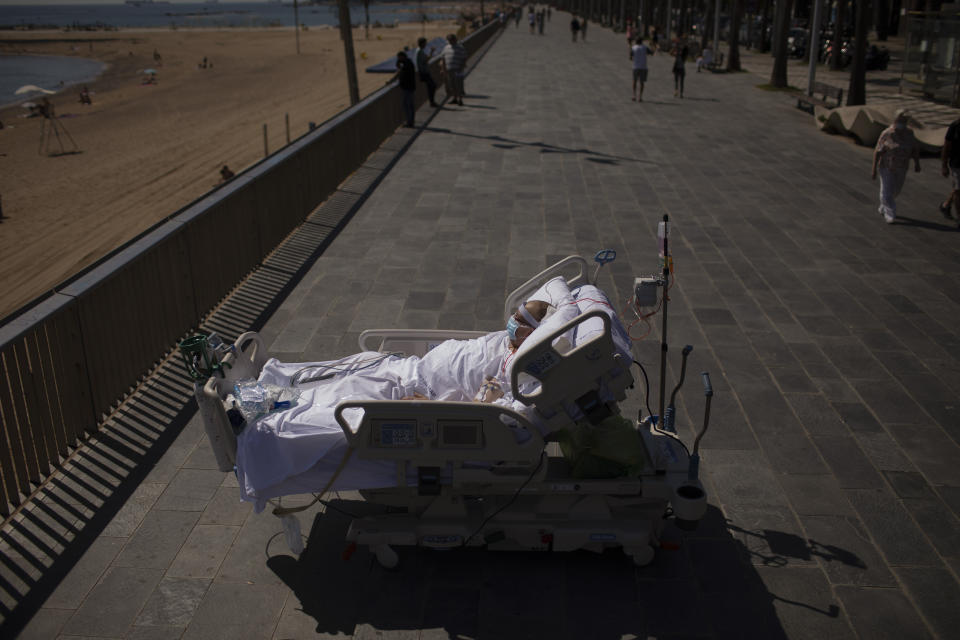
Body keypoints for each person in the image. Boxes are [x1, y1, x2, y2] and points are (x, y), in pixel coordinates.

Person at [872, 109, 921, 224]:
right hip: (887, 166)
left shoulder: (909, 133)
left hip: (902, 166)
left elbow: (914, 149)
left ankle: (884, 205)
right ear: (895, 120)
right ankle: (890, 213)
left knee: (896, 191)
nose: (902, 123)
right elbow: (878, 151)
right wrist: (874, 169)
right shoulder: (887, 133)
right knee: (886, 190)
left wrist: (917, 163)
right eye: (900, 120)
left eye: (904, 121)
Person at [938, 117, 960, 227]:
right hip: (957, 164)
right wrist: (944, 165)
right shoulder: (955, 126)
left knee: (958, 189)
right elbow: (946, 146)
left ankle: (946, 205)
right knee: (958, 190)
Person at [440, 33, 467, 106]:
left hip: (458, 69)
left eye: (452, 40)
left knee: (459, 85)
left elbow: (464, 58)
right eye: (449, 40)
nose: (451, 41)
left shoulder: (460, 47)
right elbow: (443, 58)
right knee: (452, 85)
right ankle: (455, 98)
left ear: (455, 40)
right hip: (449, 70)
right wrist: (443, 69)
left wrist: (461, 67)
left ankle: (460, 99)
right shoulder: (446, 47)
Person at [414, 38, 439, 108]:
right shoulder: (420, 51)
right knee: (432, 86)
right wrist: (431, 51)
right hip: (424, 72)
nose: (426, 45)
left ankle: (432, 101)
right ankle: (432, 102)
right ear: (422, 43)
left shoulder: (419, 51)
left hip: (424, 72)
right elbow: (426, 60)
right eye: (425, 43)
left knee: (431, 86)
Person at [395, 50, 416, 127]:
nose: (398, 59)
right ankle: (410, 121)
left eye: (399, 57)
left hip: (408, 87)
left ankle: (409, 122)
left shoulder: (407, 64)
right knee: (409, 105)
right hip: (408, 87)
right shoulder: (407, 62)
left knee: (407, 105)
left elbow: (400, 71)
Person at [630, 37, 654, 102]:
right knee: (642, 82)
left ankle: (634, 96)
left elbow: (630, 57)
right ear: (642, 42)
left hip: (635, 67)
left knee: (634, 81)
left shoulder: (633, 47)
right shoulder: (645, 47)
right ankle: (640, 97)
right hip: (643, 67)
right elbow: (652, 53)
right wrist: (652, 46)